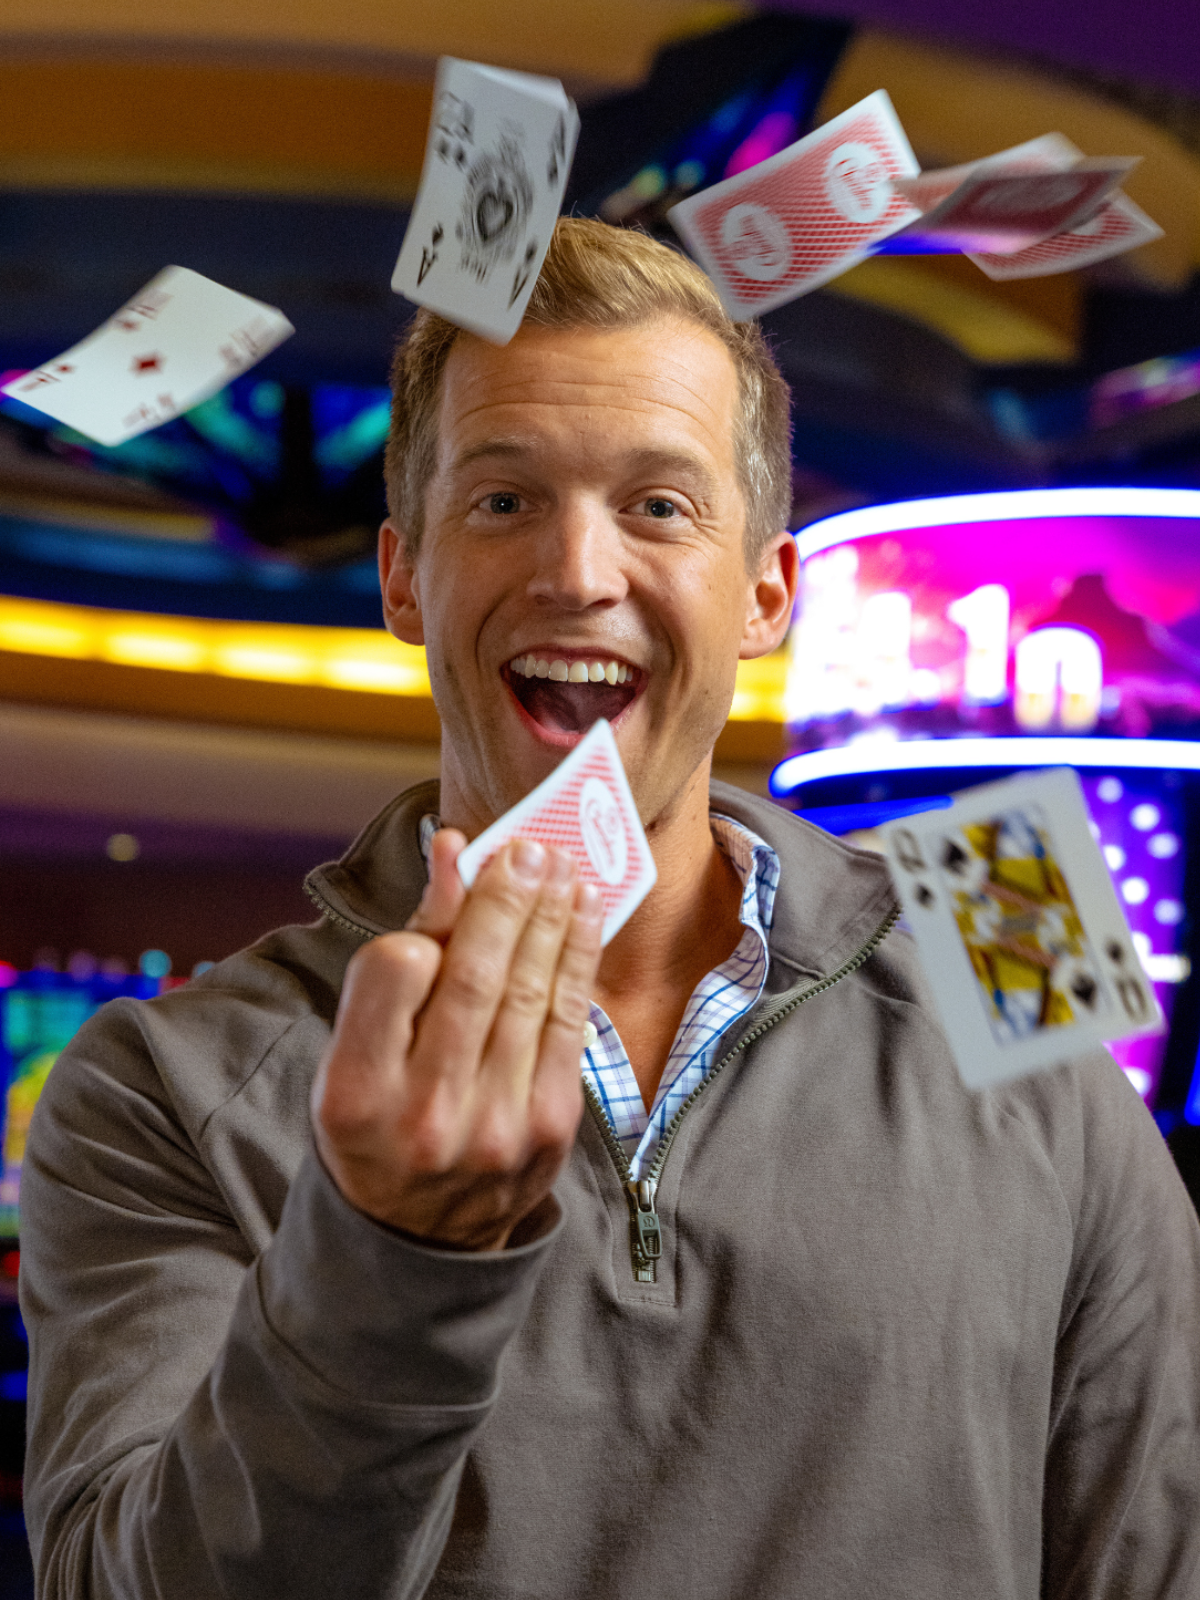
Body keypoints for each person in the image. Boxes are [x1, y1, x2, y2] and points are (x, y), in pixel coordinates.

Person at [20, 218, 1200, 1600]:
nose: (579, 572)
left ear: (766, 592)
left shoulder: (1012, 917)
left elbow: (1155, 1531)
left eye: (660, 506)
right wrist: (389, 1258)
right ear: (404, 576)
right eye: (503, 501)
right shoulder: (157, 1082)